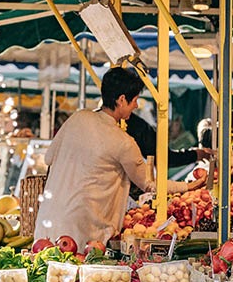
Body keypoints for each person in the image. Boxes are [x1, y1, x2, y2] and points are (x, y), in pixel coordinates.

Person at [34, 67, 204, 250]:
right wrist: (187, 187)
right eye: (135, 100)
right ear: (122, 99)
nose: (136, 106)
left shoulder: (77, 118)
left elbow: (49, 157)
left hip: (47, 222)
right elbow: (148, 184)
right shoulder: (123, 142)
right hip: (81, 233)